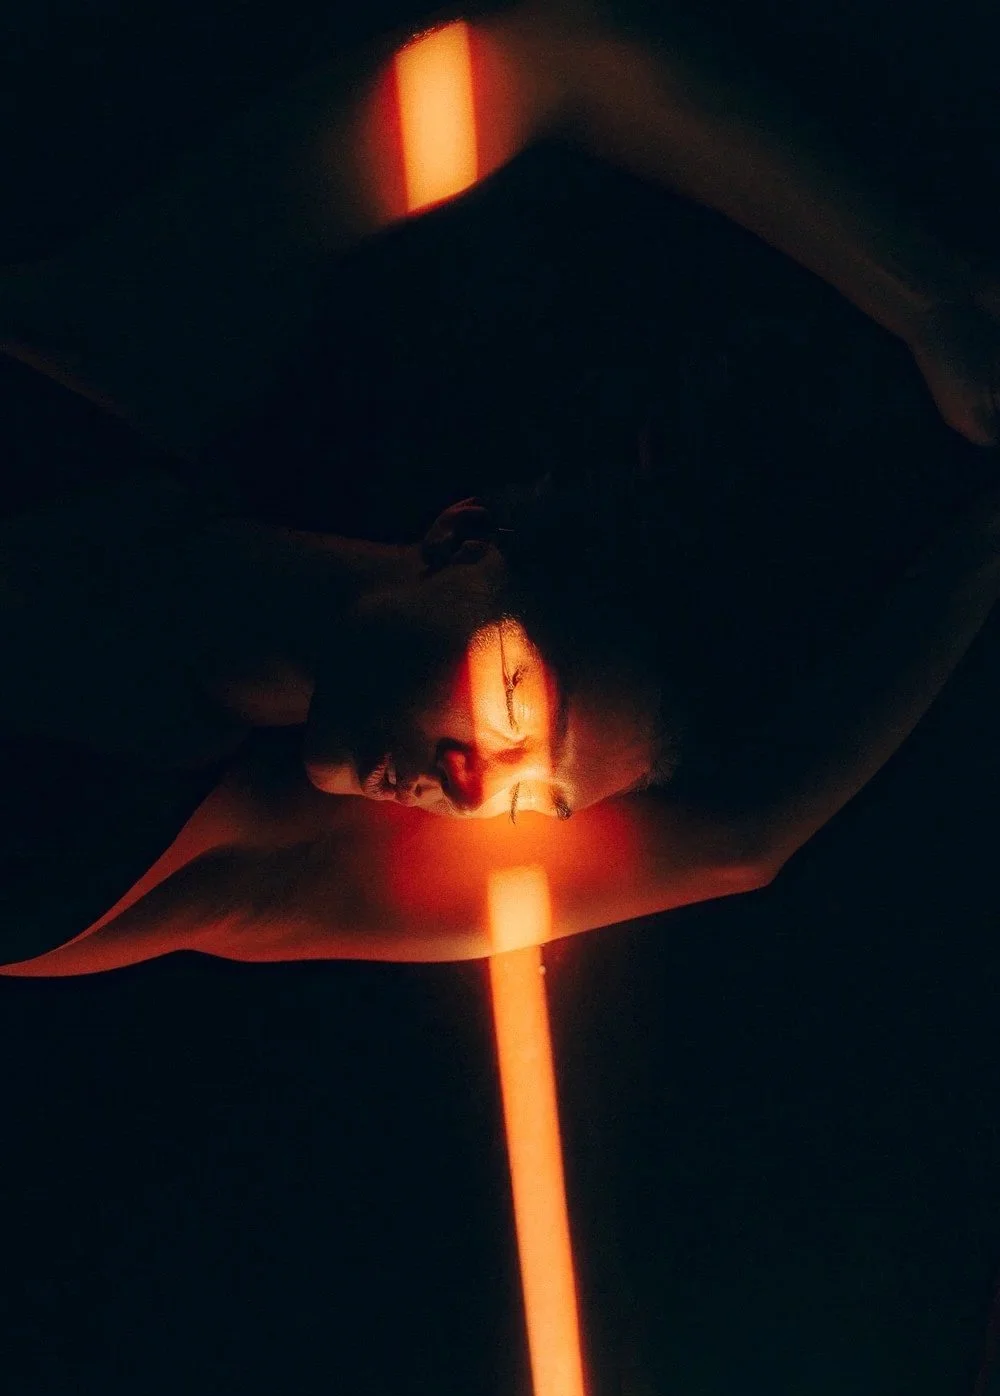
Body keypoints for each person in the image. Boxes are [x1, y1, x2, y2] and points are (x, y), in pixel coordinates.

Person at [1, 0, 999, 978]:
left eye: (529, 801)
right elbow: (566, 59)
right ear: (466, 539)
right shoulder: (100, 373)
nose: (470, 779)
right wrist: (931, 305)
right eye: (514, 702)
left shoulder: (177, 864)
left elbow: (738, 839)